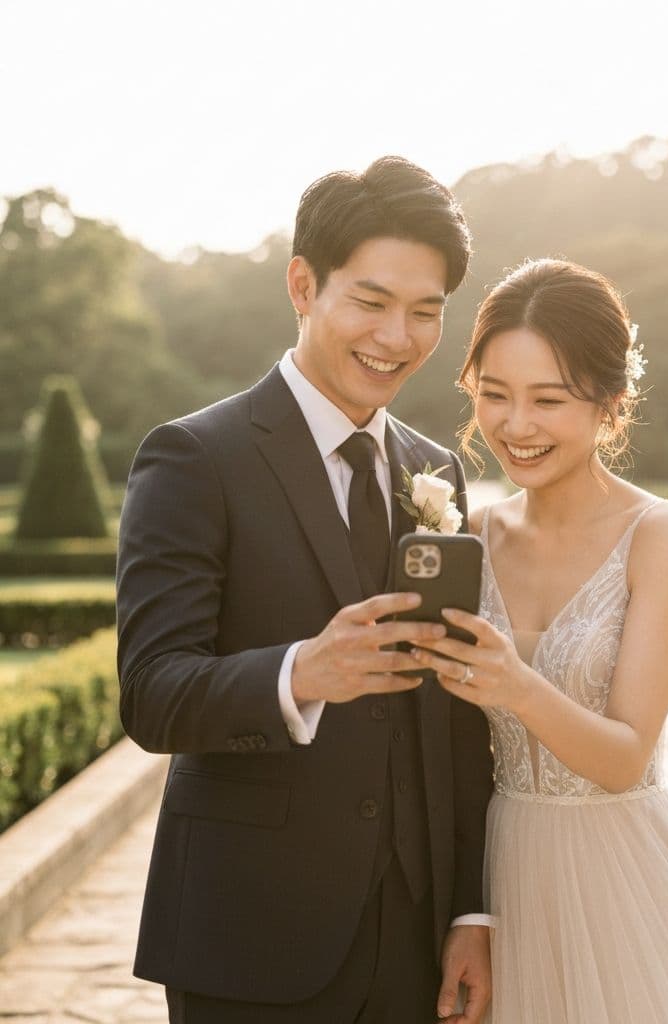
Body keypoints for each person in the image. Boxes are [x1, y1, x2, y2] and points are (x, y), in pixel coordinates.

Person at [116, 157, 494, 1023]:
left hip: (414, 935)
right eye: (370, 302)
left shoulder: (435, 471)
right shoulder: (193, 458)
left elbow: (455, 709)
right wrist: (300, 673)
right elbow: (152, 694)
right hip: (250, 932)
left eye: (426, 312)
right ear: (301, 284)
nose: (396, 337)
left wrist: (470, 908)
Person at [410, 258, 668, 1022]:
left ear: (610, 403)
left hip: (625, 874)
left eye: (548, 400)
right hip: (504, 873)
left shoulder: (660, 536)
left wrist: (514, 685)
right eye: (494, 395)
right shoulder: (471, 534)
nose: (515, 426)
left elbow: (626, 755)